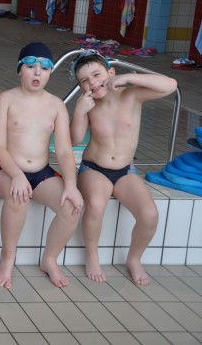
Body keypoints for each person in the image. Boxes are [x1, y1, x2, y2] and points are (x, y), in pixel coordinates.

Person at [69, 49, 176, 285]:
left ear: (111, 72)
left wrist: (127, 78)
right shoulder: (88, 105)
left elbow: (170, 85)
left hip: (126, 171)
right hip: (93, 169)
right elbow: (74, 140)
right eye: (84, 81)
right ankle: (92, 256)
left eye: (97, 75)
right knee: (97, 204)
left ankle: (134, 259)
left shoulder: (131, 95)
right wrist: (79, 111)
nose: (92, 83)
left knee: (149, 215)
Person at [0, 42, 83, 289]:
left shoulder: (56, 105)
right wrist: (17, 175)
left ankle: (50, 260)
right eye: (31, 66)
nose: (38, 72)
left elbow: (64, 151)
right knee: (18, 196)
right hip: (3, 169)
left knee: (72, 206)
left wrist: (71, 185)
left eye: (45, 67)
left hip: (41, 172)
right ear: (20, 69)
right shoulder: (5, 99)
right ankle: (8, 258)